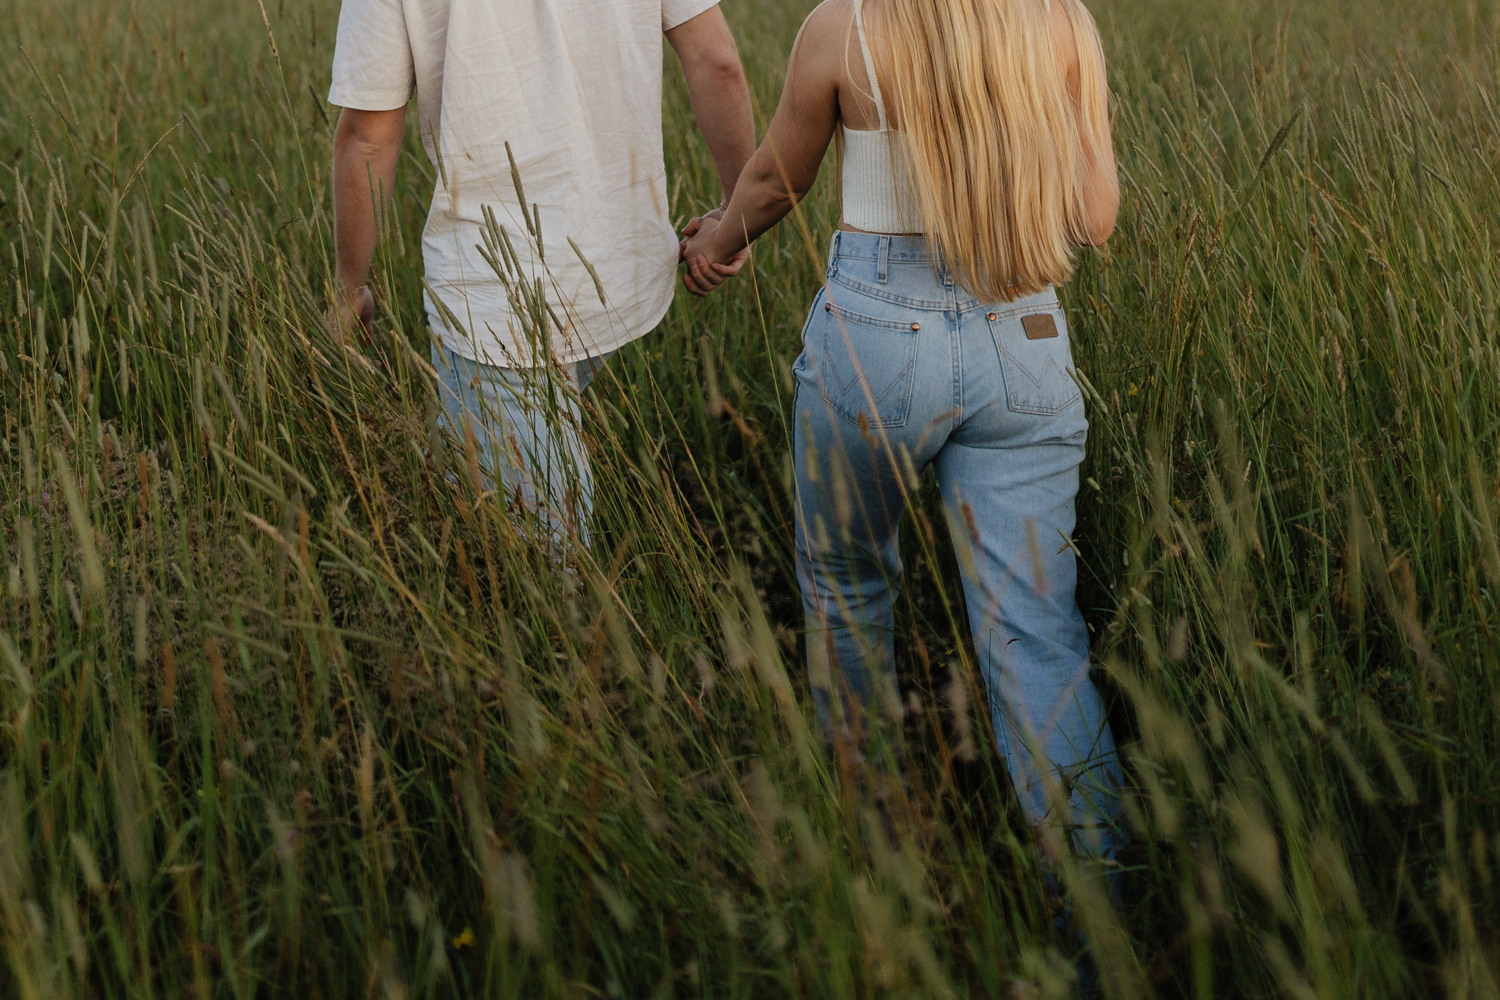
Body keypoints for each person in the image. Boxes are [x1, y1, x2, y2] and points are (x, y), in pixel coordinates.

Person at [680, 0, 1123, 859]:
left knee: (847, 594)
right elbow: (1093, 218)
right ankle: (1097, 929)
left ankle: (879, 877)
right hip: (1021, 338)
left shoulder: (843, 26)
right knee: (1035, 634)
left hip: (876, 341)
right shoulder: (1061, 23)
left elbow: (777, 181)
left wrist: (717, 240)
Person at [327, 0, 755, 541]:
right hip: (616, 267)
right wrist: (736, 216)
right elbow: (718, 61)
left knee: (543, 564)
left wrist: (349, 287)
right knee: (497, 493)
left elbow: (368, 131)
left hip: (494, 300)